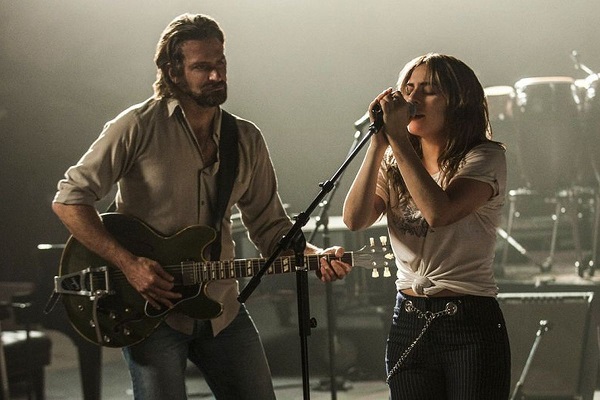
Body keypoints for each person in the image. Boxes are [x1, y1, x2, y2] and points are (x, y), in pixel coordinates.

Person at [52, 13, 352, 400]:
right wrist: (129, 264)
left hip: (222, 309)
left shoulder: (245, 138)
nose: (216, 75)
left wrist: (313, 256)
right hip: (150, 310)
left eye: (221, 63)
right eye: (202, 67)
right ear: (173, 72)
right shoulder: (137, 127)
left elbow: (271, 228)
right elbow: (69, 200)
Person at [342, 53, 511, 399]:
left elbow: (439, 213)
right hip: (408, 317)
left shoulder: (484, 157)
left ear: (458, 101)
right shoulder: (394, 158)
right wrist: (378, 145)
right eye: (408, 89)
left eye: (429, 90)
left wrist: (398, 140)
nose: (413, 99)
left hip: (469, 322)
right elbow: (355, 219)